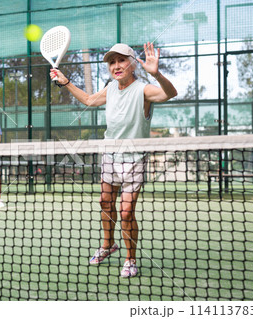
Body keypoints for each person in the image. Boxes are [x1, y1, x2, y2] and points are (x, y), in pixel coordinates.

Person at [50, 42, 177, 277]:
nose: (116, 66)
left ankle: (130, 259)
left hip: (135, 158)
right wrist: (65, 81)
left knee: (127, 211)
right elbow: (89, 100)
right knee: (105, 203)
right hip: (110, 154)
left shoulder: (144, 89)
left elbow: (170, 93)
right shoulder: (109, 89)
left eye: (121, 60)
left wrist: (156, 73)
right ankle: (108, 245)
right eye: (111, 62)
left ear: (132, 64)